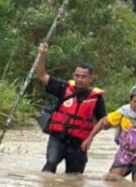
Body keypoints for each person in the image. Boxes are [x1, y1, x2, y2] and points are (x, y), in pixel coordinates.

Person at [35, 42, 108, 174]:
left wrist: (89, 138)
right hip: (58, 138)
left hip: (79, 143)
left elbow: (102, 120)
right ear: (73, 75)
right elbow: (41, 75)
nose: (80, 79)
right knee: (50, 164)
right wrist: (42, 55)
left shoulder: (96, 98)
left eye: (84, 77)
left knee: (74, 178)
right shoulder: (63, 88)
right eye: (77, 76)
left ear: (90, 78)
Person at [81, 85, 136, 183]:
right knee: (111, 179)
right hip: (125, 154)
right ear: (130, 101)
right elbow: (102, 122)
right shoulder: (124, 112)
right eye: (134, 101)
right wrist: (90, 138)